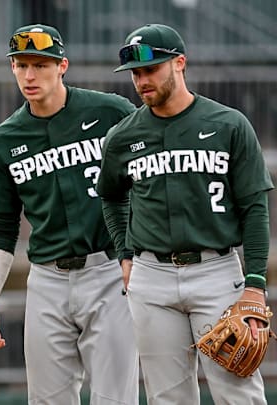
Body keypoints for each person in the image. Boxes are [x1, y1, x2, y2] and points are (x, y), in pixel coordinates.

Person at [97, 23, 273, 404]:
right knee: (168, 398)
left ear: (179, 63)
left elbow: (255, 207)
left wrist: (256, 283)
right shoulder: (122, 137)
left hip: (216, 272)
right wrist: (125, 255)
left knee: (239, 394)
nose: (141, 81)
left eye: (150, 70)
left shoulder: (228, 124)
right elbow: (110, 197)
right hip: (151, 278)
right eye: (135, 74)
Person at [0, 23, 139, 404]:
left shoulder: (110, 111)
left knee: (116, 398)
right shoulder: (6, 138)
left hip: (109, 272)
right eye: (21, 65)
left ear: (62, 65)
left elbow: (152, 173)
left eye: (41, 65)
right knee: (47, 400)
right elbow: (2, 226)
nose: (30, 75)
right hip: (47, 279)